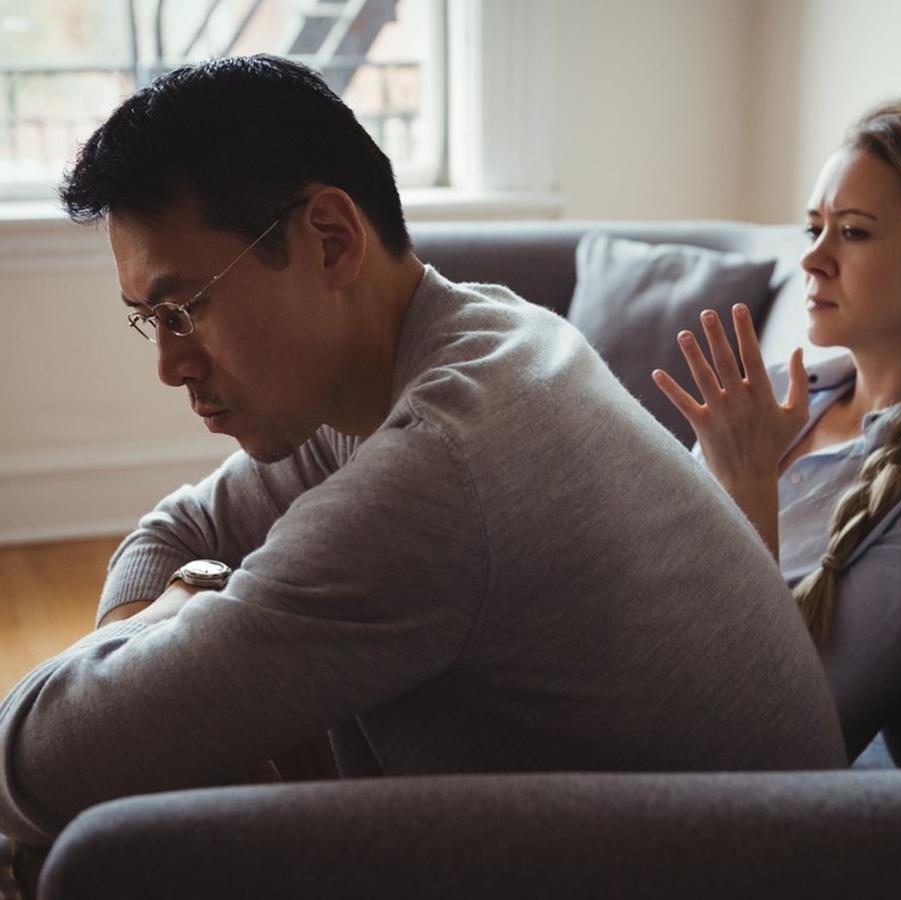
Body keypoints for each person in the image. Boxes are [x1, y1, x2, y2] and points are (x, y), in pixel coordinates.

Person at [0, 55, 847, 850]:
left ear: (330, 239)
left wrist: (185, 610)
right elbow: (176, 531)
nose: (169, 364)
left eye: (184, 308)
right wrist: (169, 613)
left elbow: (31, 760)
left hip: (750, 867)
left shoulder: (445, 466)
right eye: (151, 321)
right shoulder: (471, 338)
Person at [654, 100, 901, 760]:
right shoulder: (776, 392)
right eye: (813, 230)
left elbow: (787, 736)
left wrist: (748, 492)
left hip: (674, 764)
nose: (813, 261)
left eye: (853, 233)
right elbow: (647, 561)